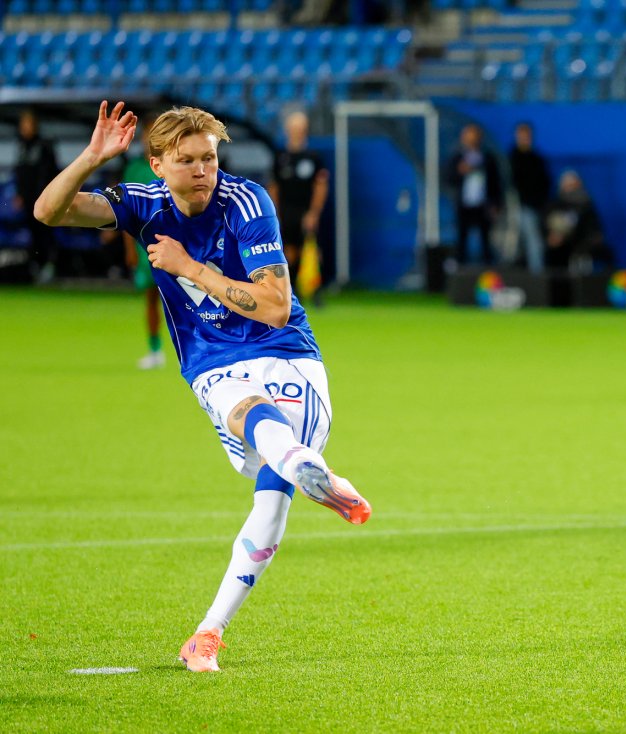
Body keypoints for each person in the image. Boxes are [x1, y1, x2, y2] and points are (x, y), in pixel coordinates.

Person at [34, 101, 371, 672]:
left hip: (287, 358)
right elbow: (49, 212)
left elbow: (274, 307)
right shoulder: (142, 204)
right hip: (213, 365)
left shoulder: (247, 202)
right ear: (158, 164)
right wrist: (92, 156)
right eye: (187, 160)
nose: (202, 170)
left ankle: (212, 625)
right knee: (266, 476)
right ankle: (302, 477)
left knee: (267, 465)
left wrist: (189, 267)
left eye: (209, 158)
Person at [119, 119, 166, 369]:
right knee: (151, 297)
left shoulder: (173, 165)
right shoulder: (135, 168)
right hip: (143, 242)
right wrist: (129, 249)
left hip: (175, 240)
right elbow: (125, 211)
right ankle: (155, 348)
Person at [268, 110, 329, 295]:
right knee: (288, 250)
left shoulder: (313, 157)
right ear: (287, 130)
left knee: (311, 248)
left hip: (306, 209)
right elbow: (273, 186)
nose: (297, 132)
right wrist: (275, 213)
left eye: (300, 128)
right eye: (294, 128)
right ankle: (291, 289)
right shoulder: (280, 156)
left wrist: (314, 212)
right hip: (286, 210)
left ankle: (316, 290)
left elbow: (321, 186)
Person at [15, 109, 60, 284]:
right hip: (27, 200)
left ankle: (50, 266)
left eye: (29, 124)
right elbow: (20, 173)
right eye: (23, 124)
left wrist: (45, 195)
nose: (26, 128)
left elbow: (50, 173)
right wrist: (20, 194)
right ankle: (36, 266)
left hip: (44, 200)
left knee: (46, 233)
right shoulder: (22, 147)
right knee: (33, 234)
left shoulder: (44, 146)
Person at [446, 124, 502, 266]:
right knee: (461, 240)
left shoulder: (488, 158)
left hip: (483, 206)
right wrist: (460, 171)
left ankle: (488, 275)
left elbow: (495, 183)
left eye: (474, 136)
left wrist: (496, 204)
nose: (471, 140)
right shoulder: (457, 157)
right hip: (464, 205)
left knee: (485, 241)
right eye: (468, 136)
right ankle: (460, 274)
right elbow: (448, 178)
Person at [542, 170, 611, 272]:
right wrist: (552, 235)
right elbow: (547, 224)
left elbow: (593, 228)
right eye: (568, 185)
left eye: (574, 185)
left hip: (580, 241)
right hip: (561, 244)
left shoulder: (586, 205)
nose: (571, 189)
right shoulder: (555, 205)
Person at [508, 122, 551, 274]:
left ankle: (536, 278)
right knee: (514, 246)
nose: (525, 138)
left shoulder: (537, 158)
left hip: (533, 207)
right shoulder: (511, 158)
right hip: (515, 207)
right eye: (522, 135)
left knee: (534, 243)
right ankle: (515, 277)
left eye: (527, 135)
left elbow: (544, 183)